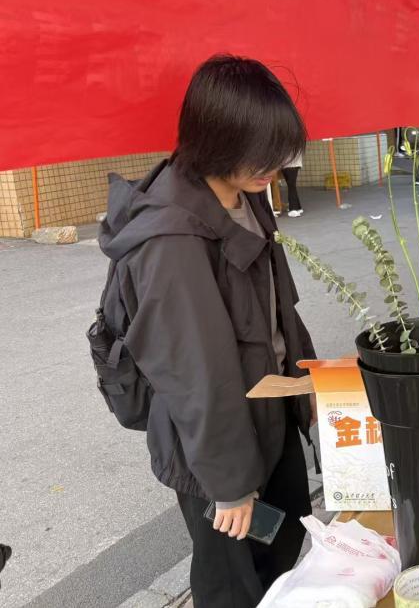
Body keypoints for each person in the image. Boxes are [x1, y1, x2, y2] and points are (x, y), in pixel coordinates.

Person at [99, 55, 316, 608]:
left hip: (267, 414)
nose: (275, 166)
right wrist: (229, 484)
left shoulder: (243, 195)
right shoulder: (171, 239)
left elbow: (277, 309)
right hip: (216, 445)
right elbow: (195, 372)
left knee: (283, 546)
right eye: (261, 152)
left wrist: (311, 389)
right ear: (217, 140)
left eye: (279, 150)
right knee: (233, 583)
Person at [281, 150, 305, 217]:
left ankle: (293, 208)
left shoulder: (294, 141)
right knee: (291, 185)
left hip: (291, 163)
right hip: (287, 163)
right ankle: (297, 207)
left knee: (291, 185)